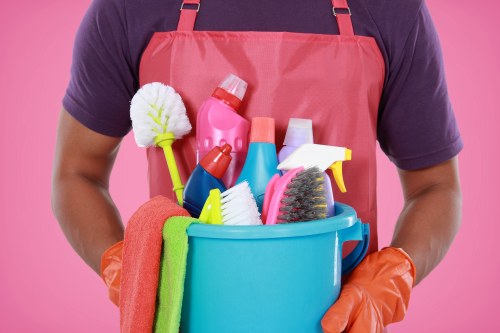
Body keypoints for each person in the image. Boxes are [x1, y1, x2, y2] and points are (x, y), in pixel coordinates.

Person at [51, 0, 463, 332]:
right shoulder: (128, 8)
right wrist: (129, 270)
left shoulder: (392, 9)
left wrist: (391, 277)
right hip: (183, 313)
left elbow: (435, 185)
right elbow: (77, 173)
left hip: (338, 315)